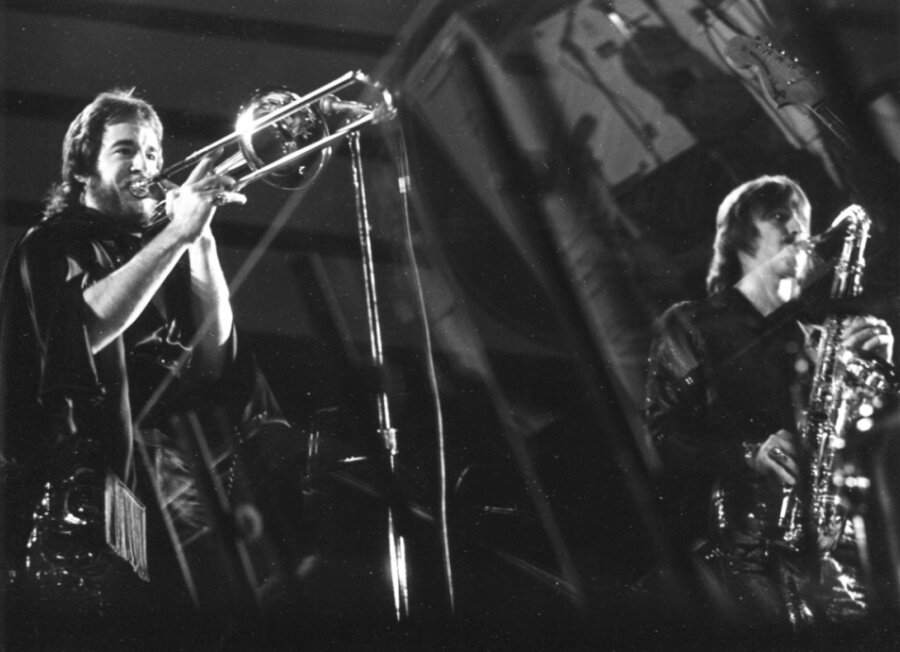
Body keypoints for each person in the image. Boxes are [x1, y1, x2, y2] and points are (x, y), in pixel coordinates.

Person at [0, 89, 289, 648]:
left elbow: (215, 361)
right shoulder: (50, 243)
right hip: (90, 486)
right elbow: (80, 332)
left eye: (153, 152)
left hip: (177, 480)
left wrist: (200, 241)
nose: (146, 165)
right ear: (83, 169)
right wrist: (175, 236)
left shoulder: (161, 250)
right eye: (126, 150)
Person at [644, 175, 894, 631]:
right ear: (737, 236)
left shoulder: (817, 336)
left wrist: (877, 368)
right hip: (755, 550)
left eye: (802, 218)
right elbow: (664, 434)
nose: (798, 227)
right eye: (779, 215)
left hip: (838, 550)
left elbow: (860, 441)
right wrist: (749, 453)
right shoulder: (692, 323)